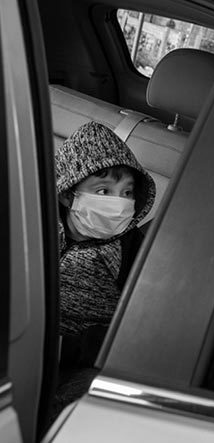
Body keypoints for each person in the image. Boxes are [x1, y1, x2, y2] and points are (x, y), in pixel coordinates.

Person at [53, 121, 155, 411]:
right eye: (103, 191)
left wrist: (69, 347)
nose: (119, 204)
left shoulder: (133, 252)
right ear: (66, 193)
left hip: (82, 361)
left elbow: (138, 331)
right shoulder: (33, 225)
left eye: (127, 193)